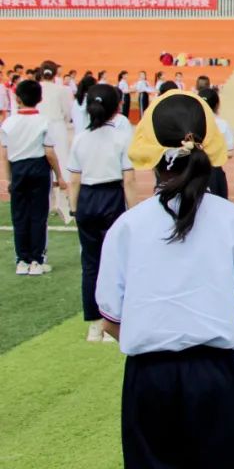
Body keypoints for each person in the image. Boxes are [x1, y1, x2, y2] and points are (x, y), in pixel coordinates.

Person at [96, 90, 234, 469]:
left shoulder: (127, 227)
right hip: (218, 371)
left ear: (151, 155)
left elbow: (111, 320)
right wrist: (228, 359)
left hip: (148, 374)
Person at [68, 84, 138, 341]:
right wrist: (134, 211)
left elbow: (74, 179)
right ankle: (113, 321)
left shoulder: (80, 138)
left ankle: (95, 324)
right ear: (117, 108)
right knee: (115, 262)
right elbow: (129, 180)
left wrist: (74, 209)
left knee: (90, 263)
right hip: (111, 197)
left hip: (87, 199)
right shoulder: (122, 137)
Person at [1, 80, 66, 275]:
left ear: (17, 98)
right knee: (38, 215)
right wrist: (59, 175)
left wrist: (8, 179)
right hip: (39, 168)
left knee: (19, 215)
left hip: (17, 168)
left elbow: (4, 154)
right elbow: (50, 153)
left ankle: (22, 260)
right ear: (40, 98)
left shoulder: (8, 122)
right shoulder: (44, 121)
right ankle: (37, 260)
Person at [39, 61, 73, 224]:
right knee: (60, 160)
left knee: (44, 160)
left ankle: (49, 201)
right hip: (57, 126)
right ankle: (60, 203)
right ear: (55, 74)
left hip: (40, 125)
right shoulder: (62, 90)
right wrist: (64, 121)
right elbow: (67, 111)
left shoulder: (37, 88)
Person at [199, 88, 234, 200]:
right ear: (217, 105)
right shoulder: (222, 124)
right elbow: (230, 152)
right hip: (214, 170)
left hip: (194, 171)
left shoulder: (191, 123)